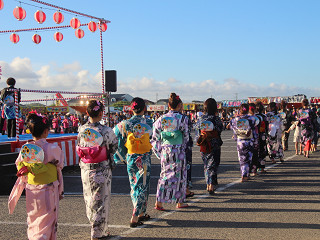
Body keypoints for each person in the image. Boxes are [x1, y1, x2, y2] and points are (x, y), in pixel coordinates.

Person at [8, 112, 64, 240]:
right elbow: (60, 164)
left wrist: (30, 167)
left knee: (33, 216)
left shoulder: (26, 149)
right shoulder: (52, 148)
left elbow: (19, 164)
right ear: (46, 131)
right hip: (48, 187)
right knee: (48, 217)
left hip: (31, 187)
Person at [76, 100, 118, 240]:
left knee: (89, 198)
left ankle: (99, 228)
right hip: (101, 168)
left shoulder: (82, 130)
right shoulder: (106, 131)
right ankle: (98, 231)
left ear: (87, 113)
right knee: (101, 200)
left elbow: (79, 144)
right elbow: (114, 146)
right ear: (101, 113)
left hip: (86, 168)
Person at [113, 97, 153, 227]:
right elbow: (155, 136)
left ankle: (141, 212)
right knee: (143, 185)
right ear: (144, 108)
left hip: (131, 157)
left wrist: (122, 155)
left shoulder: (124, 124)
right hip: (144, 157)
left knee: (134, 186)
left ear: (132, 108)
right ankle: (135, 216)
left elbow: (115, 136)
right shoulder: (149, 122)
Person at [151, 93, 189, 210]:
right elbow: (186, 136)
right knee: (180, 175)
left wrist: (160, 151)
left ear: (168, 105)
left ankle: (159, 201)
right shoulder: (183, 118)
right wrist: (183, 145)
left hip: (165, 150)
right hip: (178, 150)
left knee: (164, 175)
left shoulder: (161, 119)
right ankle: (180, 201)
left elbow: (155, 137)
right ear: (180, 105)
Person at [194, 98, 223, 193]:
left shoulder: (201, 119)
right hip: (214, 143)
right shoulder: (216, 119)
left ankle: (208, 183)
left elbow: (197, 132)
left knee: (206, 164)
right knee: (214, 164)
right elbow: (220, 129)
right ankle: (211, 184)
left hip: (204, 143)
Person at [230, 103, 257, 182]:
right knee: (249, 158)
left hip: (240, 141)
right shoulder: (252, 119)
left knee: (242, 159)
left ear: (240, 110)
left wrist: (235, 137)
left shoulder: (235, 120)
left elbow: (233, 129)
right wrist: (255, 140)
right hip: (250, 140)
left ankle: (244, 174)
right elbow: (254, 130)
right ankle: (246, 174)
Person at [255, 101, 268, 173]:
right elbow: (266, 126)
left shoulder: (254, 117)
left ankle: (255, 167)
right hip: (262, 135)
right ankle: (262, 167)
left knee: (256, 151)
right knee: (262, 150)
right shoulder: (264, 116)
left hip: (255, 136)